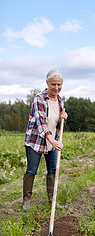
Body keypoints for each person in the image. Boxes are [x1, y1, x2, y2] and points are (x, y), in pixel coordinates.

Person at [23, 69, 68, 210]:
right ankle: (26, 202)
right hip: (35, 141)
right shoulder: (39, 99)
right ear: (47, 83)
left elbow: (56, 123)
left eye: (59, 85)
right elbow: (41, 123)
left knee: (53, 171)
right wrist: (52, 140)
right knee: (32, 170)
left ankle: (52, 201)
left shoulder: (60, 100)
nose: (56, 88)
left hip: (52, 141)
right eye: (53, 84)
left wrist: (63, 117)